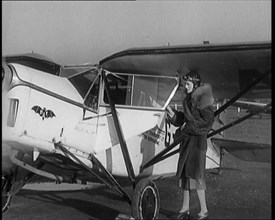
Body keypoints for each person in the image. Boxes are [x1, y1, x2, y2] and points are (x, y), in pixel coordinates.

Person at [166, 71, 214, 220]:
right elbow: (184, 119)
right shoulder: (187, 100)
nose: (185, 86)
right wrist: (173, 115)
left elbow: (207, 121)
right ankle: (185, 208)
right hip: (187, 142)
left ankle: (204, 210)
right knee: (185, 175)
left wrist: (189, 127)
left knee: (197, 176)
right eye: (185, 83)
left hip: (197, 143)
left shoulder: (203, 100)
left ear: (195, 84)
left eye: (187, 83)